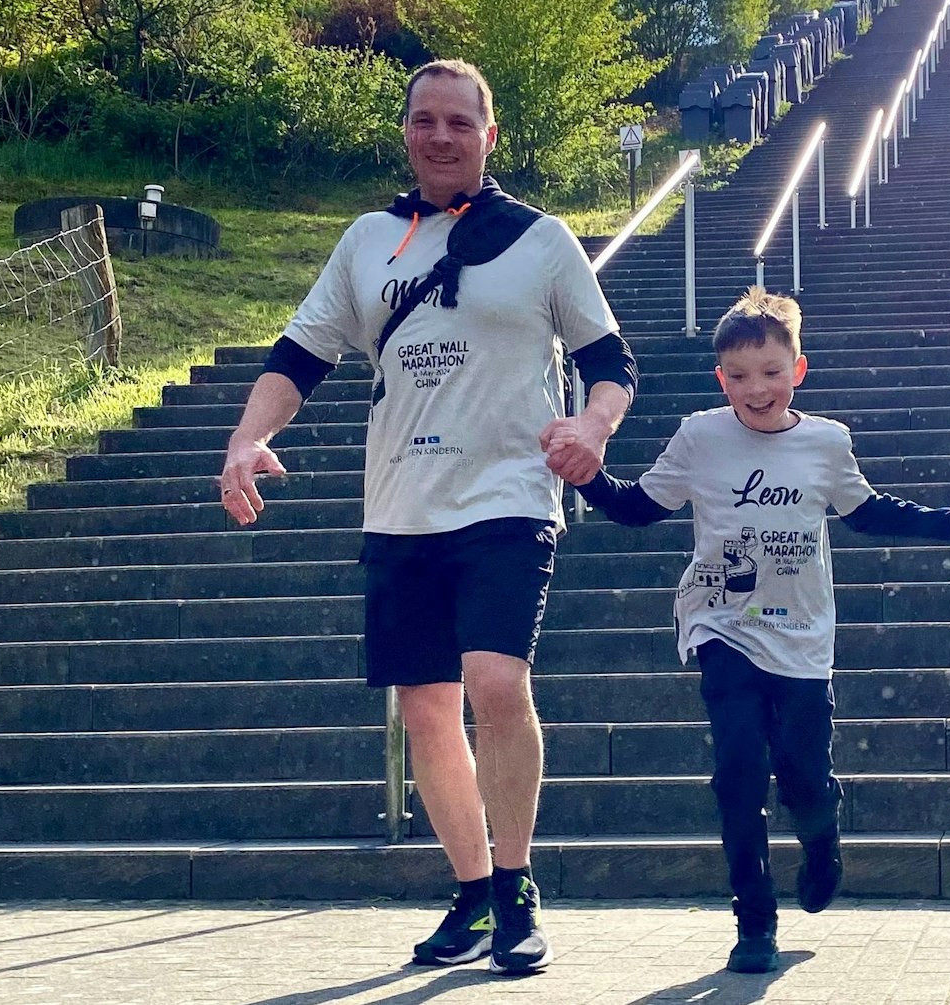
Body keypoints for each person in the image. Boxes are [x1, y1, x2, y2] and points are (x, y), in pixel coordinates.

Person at [218, 59, 637, 977]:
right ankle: (473, 889)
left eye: (460, 121)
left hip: (508, 495)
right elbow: (301, 352)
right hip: (402, 502)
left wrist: (592, 426)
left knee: (493, 678)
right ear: (405, 131)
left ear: (490, 136)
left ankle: (519, 885)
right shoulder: (370, 239)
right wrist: (247, 439)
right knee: (425, 706)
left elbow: (613, 362)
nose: (441, 136)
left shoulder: (541, 239)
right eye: (424, 120)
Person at [549, 288, 950, 974]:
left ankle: (821, 838)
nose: (757, 388)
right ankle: (754, 919)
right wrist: (587, 476)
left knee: (804, 775)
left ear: (798, 371)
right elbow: (640, 507)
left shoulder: (825, 442)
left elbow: (869, 512)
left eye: (771, 372)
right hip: (721, 621)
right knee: (738, 769)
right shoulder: (701, 435)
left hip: (803, 639)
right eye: (740, 375)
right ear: (720, 378)